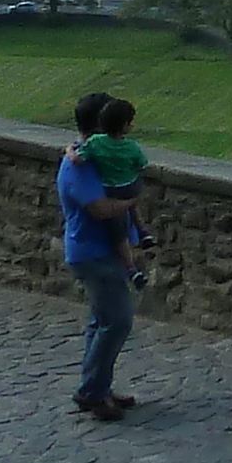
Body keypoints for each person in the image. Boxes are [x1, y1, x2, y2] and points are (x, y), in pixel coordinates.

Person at [57, 91, 148, 421]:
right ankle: (91, 393)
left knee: (101, 322)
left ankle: (98, 387)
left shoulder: (96, 158)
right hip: (92, 254)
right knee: (118, 320)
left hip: (102, 252)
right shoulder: (79, 166)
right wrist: (132, 202)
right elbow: (100, 208)